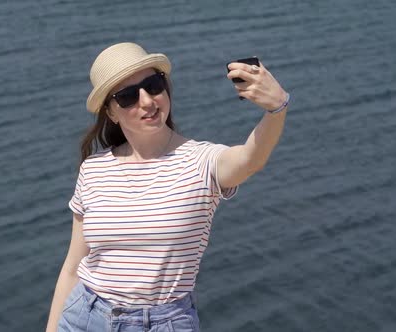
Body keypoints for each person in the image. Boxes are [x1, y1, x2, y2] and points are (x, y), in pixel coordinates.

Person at [46, 42, 290, 332]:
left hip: (163, 323)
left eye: (153, 84)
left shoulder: (201, 162)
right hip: (85, 317)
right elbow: (74, 266)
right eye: (127, 97)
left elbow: (251, 159)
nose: (147, 101)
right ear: (110, 112)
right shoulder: (94, 169)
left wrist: (276, 109)